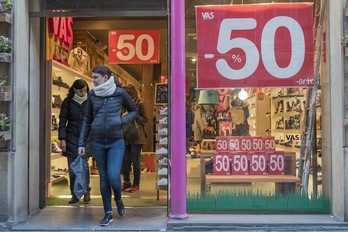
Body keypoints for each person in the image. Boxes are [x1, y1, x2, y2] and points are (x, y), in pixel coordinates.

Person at [78, 65, 139, 226]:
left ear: (105, 78)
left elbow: (134, 111)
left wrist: (120, 121)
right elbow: (87, 119)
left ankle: (118, 200)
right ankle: (108, 212)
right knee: (103, 178)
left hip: (115, 141)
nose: (93, 80)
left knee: (113, 175)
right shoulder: (92, 94)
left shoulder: (119, 93)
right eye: (92, 77)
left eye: (95, 77)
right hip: (97, 141)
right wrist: (81, 143)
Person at [58, 79, 91, 204]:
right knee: (72, 168)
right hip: (71, 137)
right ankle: (74, 194)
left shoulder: (90, 101)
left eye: (85, 90)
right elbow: (62, 121)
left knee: (84, 167)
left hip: (86, 138)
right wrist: (62, 139)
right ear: (74, 90)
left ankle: (86, 191)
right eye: (80, 90)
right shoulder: (68, 102)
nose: (83, 93)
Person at [121, 84, 149, 192]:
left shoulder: (140, 104)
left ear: (133, 95)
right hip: (125, 135)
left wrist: (133, 115)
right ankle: (126, 182)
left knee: (135, 160)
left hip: (137, 136)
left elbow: (145, 119)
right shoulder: (123, 104)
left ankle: (136, 184)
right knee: (124, 160)